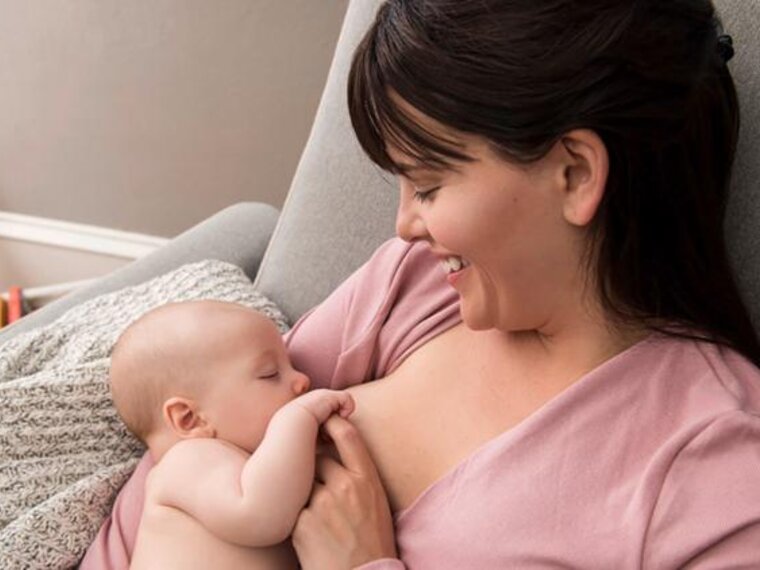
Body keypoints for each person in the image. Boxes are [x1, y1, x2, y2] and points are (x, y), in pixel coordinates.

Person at [82, 0, 760, 568]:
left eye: (429, 184)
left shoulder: (710, 463)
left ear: (575, 174)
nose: (403, 224)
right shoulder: (420, 286)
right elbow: (200, 424)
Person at [107, 300, 354, 570]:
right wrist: (299, 417)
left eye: (291, 364)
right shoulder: (187, 461)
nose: (302, 379)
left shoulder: (246, 464)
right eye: (270, 374)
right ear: (190, 419)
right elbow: (261, 516)